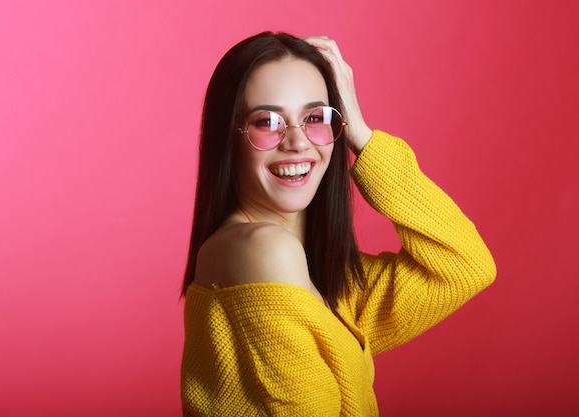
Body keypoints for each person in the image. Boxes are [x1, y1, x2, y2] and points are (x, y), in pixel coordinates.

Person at [180, 31, 496, 416]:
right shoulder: (262, 250)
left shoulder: (332, 283)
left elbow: (465, 267)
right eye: (267, 121)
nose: (297, 142)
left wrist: (361, 134)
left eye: (316, 117)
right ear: (230, 138)